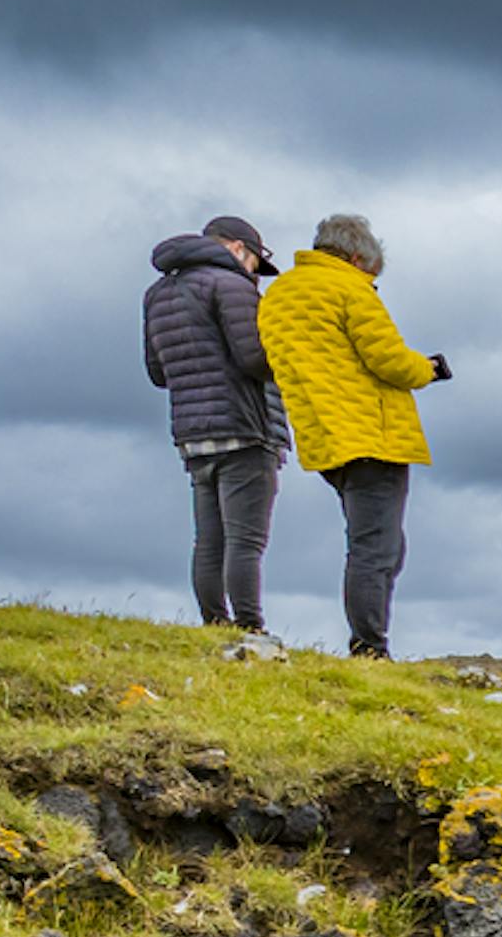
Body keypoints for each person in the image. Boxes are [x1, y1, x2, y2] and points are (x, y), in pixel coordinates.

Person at [256, 213, 448, 661]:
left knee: (378, 544)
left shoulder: (277, 294)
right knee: (376, 549)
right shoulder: (349, 290)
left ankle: (369, 640)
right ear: (359, 257)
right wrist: (430, 369)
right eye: (372, 272)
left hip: (323, 437)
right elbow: (390, 361)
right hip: (371, 434)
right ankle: (369, 648)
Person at [140, 214, 291, 634]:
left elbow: (157, 373)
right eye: (256, 266)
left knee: (209, 540)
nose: (255, 276)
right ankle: (250, 628)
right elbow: (254, 360)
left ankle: (214, 624)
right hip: (244, 427)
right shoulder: (231, 285)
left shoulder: (158, 293)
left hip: (191, 432)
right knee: (246, 540)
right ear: (239, 249)